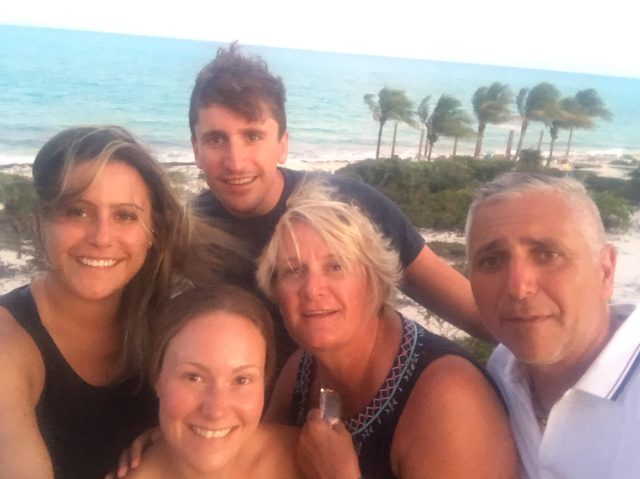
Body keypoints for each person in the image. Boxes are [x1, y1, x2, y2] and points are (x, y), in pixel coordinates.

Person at [188, 43, 488, 365]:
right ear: (196, 149)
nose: (235, 162)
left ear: (282, 144)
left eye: (253, 136)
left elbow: (471, 311)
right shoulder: (189, 231)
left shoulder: (348, 208)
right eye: (216, 139)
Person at [0, 126, 241, 479]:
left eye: (125, 215)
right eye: (78, 212)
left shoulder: (173, 319)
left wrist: (187, 436)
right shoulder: (9, 345)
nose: (101, 237)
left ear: (151, 232)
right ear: (42, 221)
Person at [256, 180, 518, 479]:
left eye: (336, 266)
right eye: (293, 270)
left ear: (373, 280)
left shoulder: (449, 400)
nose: (312, 289)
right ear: (276, 292)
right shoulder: (301, 371)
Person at [465, 172, 639, 478]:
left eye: (548, 254)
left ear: (605, 271)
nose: (518, 288)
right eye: (492, 260)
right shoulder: (503, 370)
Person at [124, 285, 301, 479]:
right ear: (157, 377)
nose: (216, 411)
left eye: (241, 380)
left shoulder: (307, 460)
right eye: (194, 377)